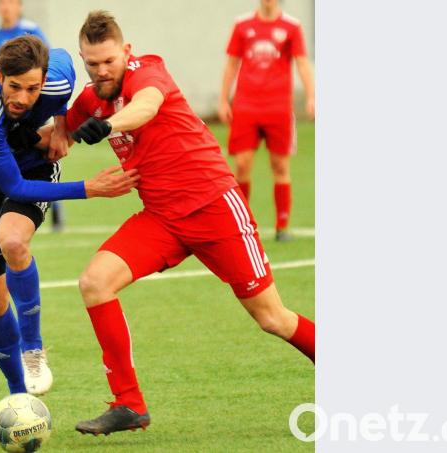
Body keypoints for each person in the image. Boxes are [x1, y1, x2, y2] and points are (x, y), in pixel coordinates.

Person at [63, 11, 315, 436]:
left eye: (109, 61)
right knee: (94, 282)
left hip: (215, 207)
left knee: (272, 318)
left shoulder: (149, 71)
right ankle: (129, 405)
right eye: (92, 63)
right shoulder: (91, 99)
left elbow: (146, 107)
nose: (102, 70)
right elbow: (56, 138)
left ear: (126, 51)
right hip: (161, 219)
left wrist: (106, 125)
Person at [0, 35, 139, 397]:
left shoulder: (58, 77)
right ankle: (19, 395)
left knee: (13, 241)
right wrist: (87, 188)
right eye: (14, 87)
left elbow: (60, 59)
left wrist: (61, 126)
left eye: (32, 89)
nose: (22, 98)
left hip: (28, 163)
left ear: (44, 80)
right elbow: (13, 186)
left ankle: (33, 349)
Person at [217, 0, 315, 241]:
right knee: (241, 165)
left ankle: (282, 226)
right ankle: (241, 225)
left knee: (280, 166)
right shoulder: (242, 25)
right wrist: (223, 100)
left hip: (278, 107)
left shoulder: (292, 26)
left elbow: (302, 63)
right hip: (246, 106)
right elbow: (231, 64)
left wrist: (312, 96)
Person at [0, 0, 66, 231]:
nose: (5, 8)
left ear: (19, 6)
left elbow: (46, 67)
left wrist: (60, 125)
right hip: (6, 110)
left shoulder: (31, 30)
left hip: (29, 109)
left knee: (42, 155)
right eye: (1, 3)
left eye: (10, 3)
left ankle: (55, 209)